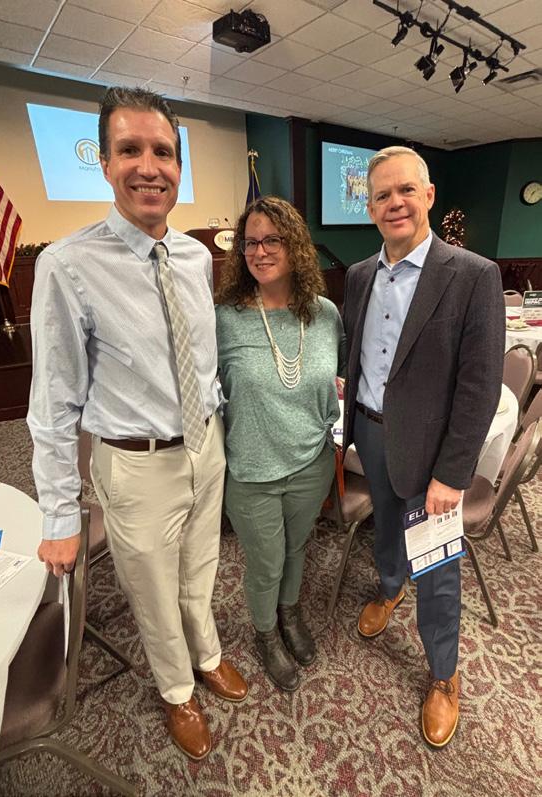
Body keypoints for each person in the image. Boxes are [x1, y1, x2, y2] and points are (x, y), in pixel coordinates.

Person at [27, 86, 247, 761]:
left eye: (162, 152)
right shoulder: (67, 265)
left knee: (200, 568)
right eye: (130, 150)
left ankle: (207, 654)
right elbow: (53, 401)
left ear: (179, 165)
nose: (148, 167)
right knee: (151, 589)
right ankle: (177, 689)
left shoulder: (195, 256)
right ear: (104, 162)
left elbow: (199, 358)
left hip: (204, 445)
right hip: (135, 462)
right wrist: (59, 514)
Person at [342, 146, 504, 748]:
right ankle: (389, 587)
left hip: (434, 454)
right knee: (386, 527)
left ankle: (443, 673)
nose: (395, 203)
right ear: (370, 208)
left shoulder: (473, 275)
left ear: (428, 196)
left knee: (437, 565)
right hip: (370, 433)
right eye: (382, 195)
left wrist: (453, 474)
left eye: (405, 190)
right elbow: (357, 355)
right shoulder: (360, 275)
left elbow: (480, 385)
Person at [216, 196, 345, 691]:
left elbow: (335, 378)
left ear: (296, 247)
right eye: (250, 242)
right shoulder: (225, 318)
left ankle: (289, 614)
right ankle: (266, 632)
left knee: (297, 548)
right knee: (266, 562)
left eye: (273, 239)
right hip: (252, 472)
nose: (260, 251)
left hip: (311, 462)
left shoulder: (325, 315)